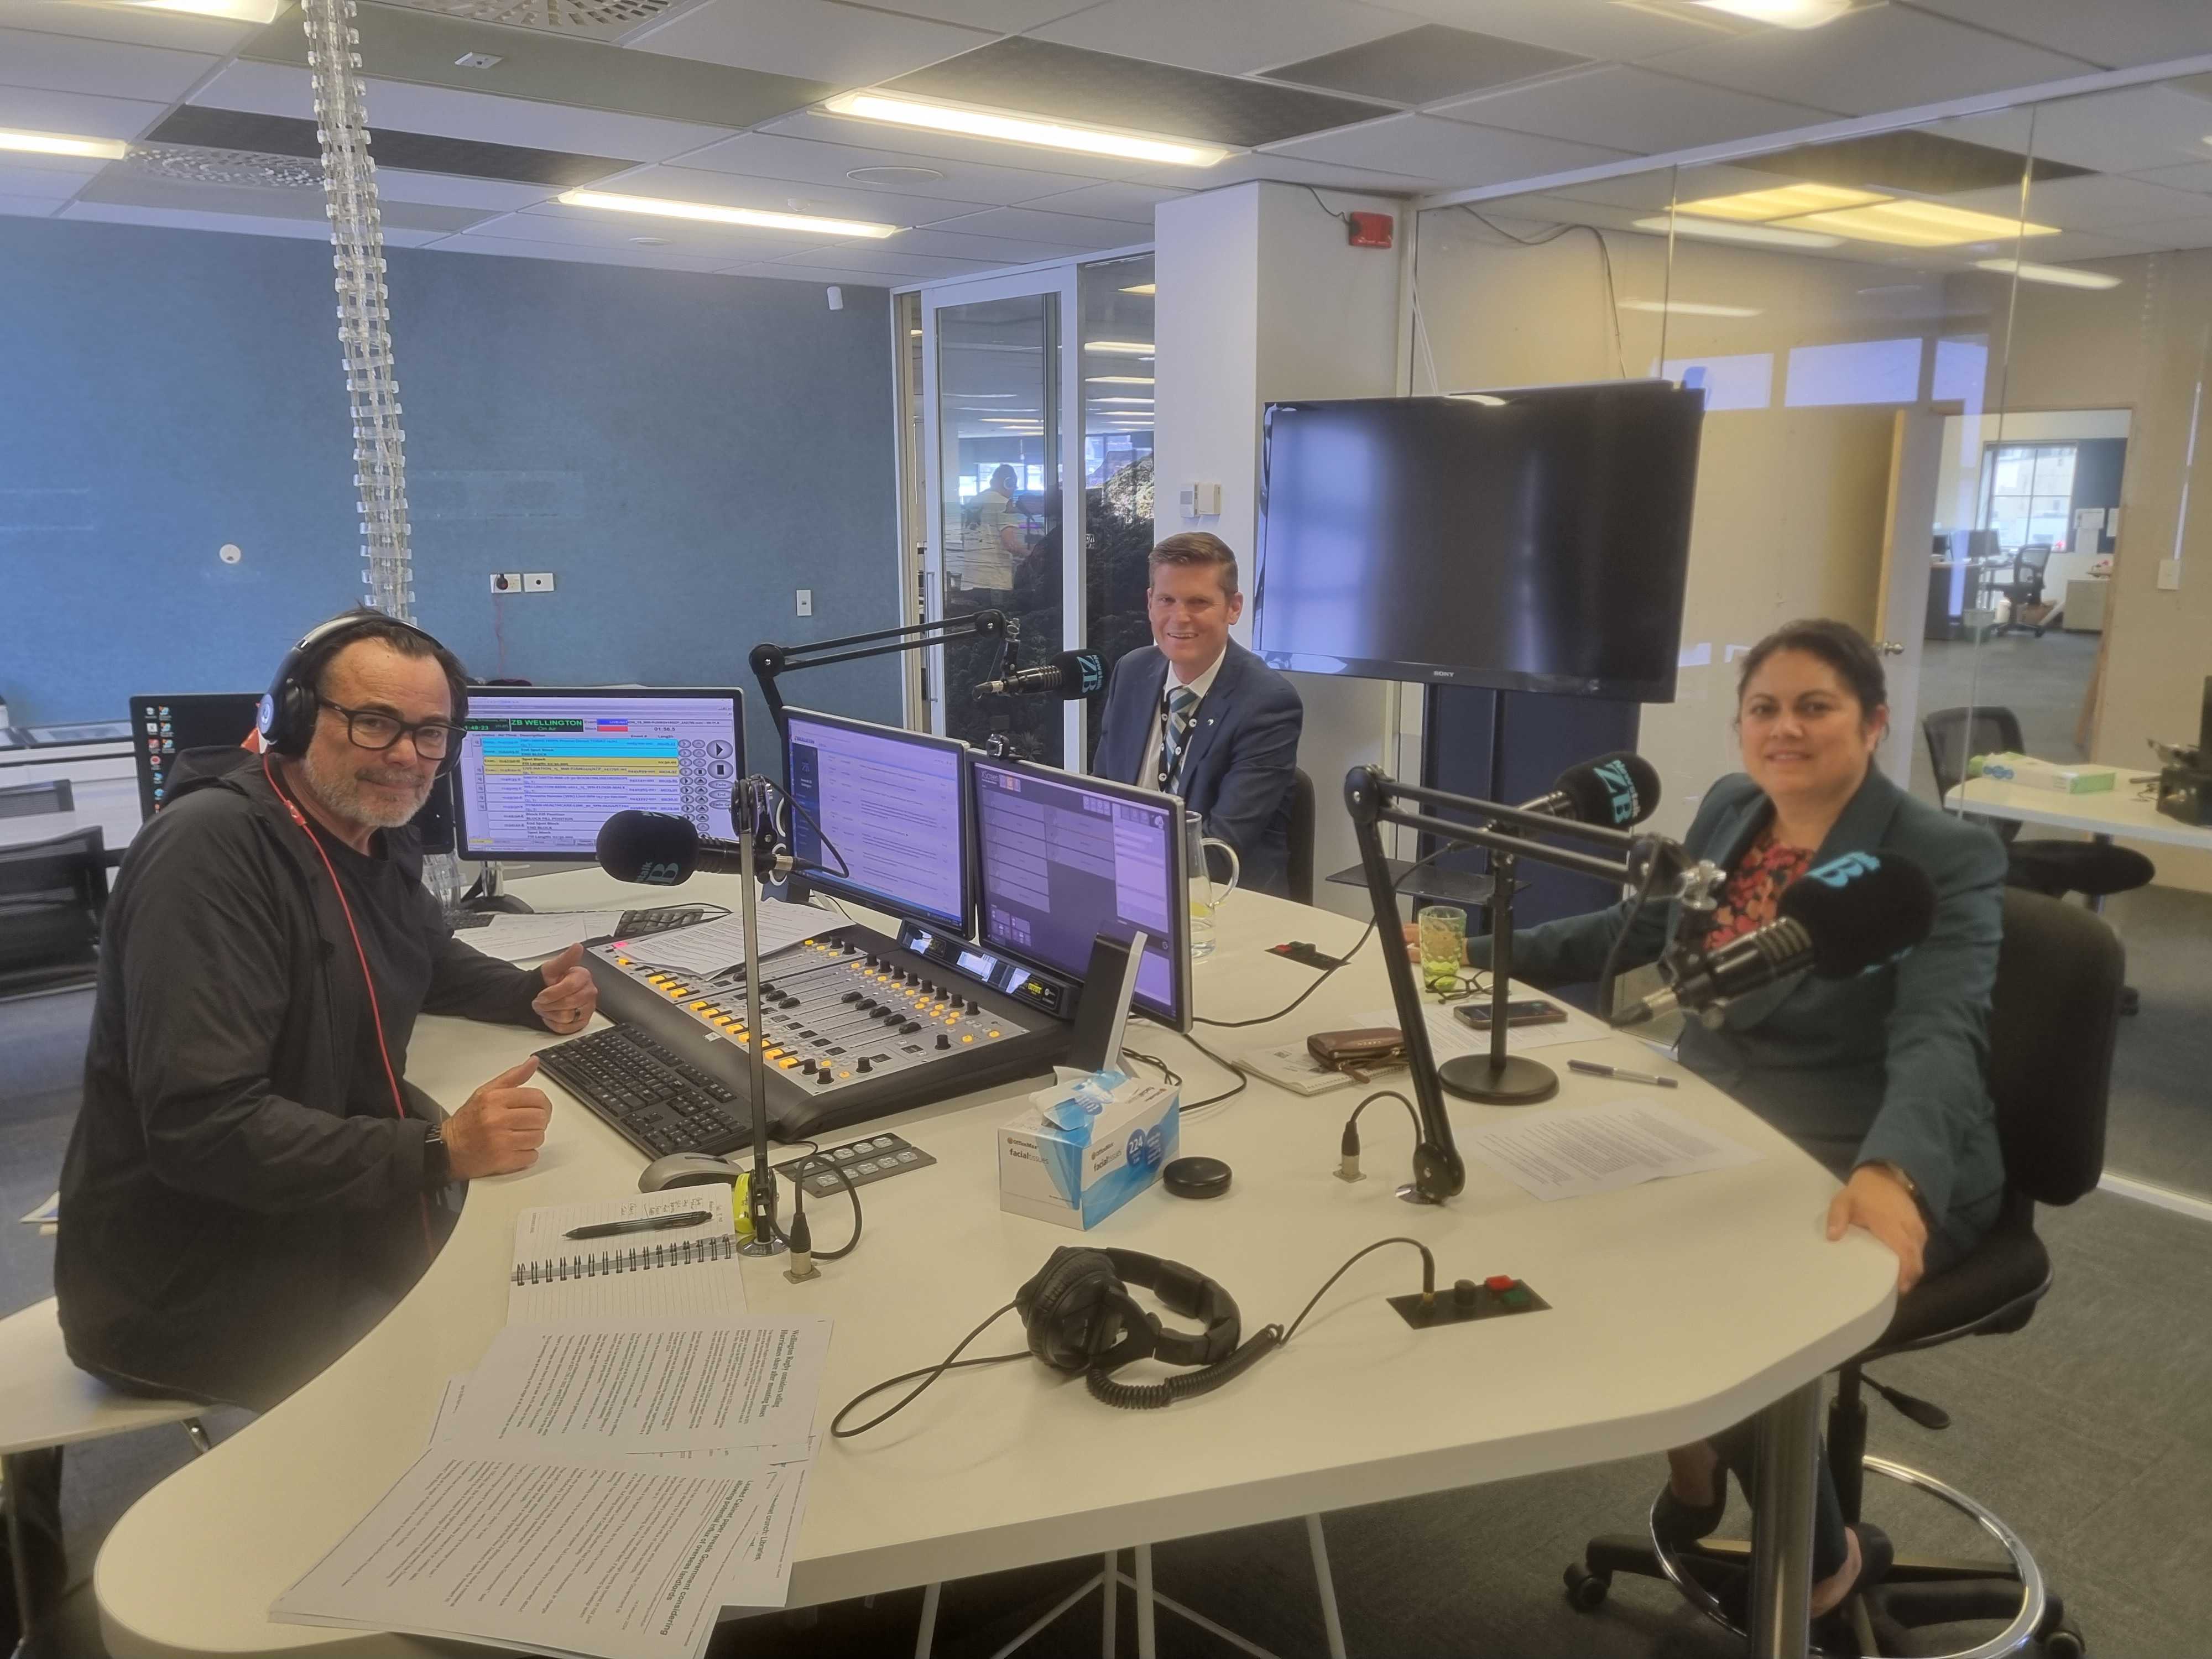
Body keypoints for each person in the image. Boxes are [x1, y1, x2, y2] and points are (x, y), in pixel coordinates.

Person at [1428, 618, 2007, 1626]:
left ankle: (1822, 1563)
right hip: (1709, 1119)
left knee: (1715, 1298)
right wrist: (1471, 953)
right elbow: (1636, 932)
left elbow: (1939, 1035)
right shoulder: (1739, 809)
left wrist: (1898, 1172)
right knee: (1550, 1221)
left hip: (1860, 1146)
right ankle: (1698, 1470)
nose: (1785, 729)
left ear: (1872, 723)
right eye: (1764, 709)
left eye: (1815, 706)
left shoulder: (1937, 855)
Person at [56, 610, 598, 1412]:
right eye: (376, 723)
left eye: (432, 733)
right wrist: (436, 1152)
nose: (408, 756)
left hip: (323, 1219)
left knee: (551, 1293)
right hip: (200, 1283)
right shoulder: (209, 853)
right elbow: (205, 1130)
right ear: (295, 719)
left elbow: (423, 949)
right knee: (506, 1367)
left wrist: (526, 996)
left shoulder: (369, 832)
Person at [1092, 533, 1305, 896]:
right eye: (1167, 600)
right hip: (1126, 888)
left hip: (1223, 901)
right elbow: (1101, 795)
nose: (1180, 618)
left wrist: (1125, 867)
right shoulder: (1132, 672)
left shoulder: (1268, 702)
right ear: (1149, 603)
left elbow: (1221, 851)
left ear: (1233, 607)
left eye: (1199, 602)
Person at [963, 463, 1025, 603]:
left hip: (971, 579)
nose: (1014, 491)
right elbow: (1010, 544)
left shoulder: (974, 501)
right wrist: (1030, 553)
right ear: (1009, 483)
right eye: (1014, 486)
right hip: (994, 582)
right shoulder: (1003, 503)